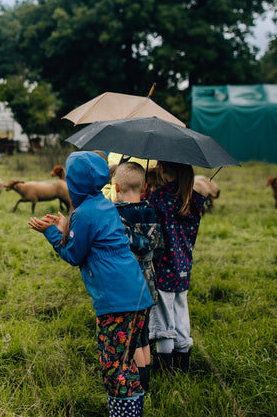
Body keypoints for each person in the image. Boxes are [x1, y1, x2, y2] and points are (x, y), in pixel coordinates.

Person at [29, 151, 154, 416]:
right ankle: (134, 410)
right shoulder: (103, 203)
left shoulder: (84, 213)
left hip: (116, 302)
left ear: (73, 183)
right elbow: (92, 237)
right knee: (125, 363)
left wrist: (50, 232)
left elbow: (74, 254)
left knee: (114, 369)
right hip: (138, 294)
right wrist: (66, 224)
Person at [146, 160, 206, 373]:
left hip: (162, 269)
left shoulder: (159, 199)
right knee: (181, 315)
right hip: (183, 269)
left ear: (162, 169)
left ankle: (166, 370)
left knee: (163, 320)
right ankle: (184, 364)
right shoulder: (193, 200)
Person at [112, 161, 163, 392]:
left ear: (116, 187)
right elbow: (157, 246)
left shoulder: (117, 215)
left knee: (132, 338)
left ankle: (138, 385)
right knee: (144, 335)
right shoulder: (152, 211)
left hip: (129, 283)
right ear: (144, 187)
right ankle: (147, 381)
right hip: (150, 282)